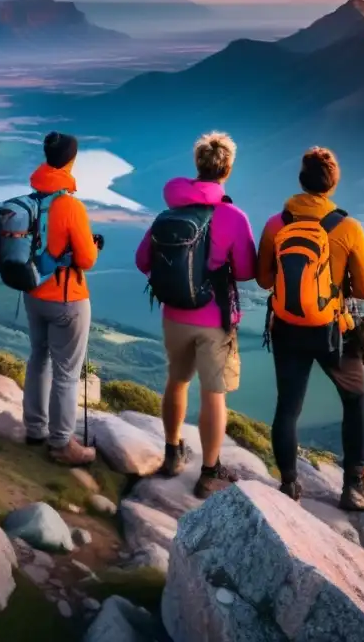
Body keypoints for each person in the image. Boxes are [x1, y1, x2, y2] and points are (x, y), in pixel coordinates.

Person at [256, 146, 364, 511]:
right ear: (333, 184)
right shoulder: (347, 228)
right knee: (354, 400)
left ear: (301, 180)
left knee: (287, 408)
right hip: (333, 331)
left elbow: (264, 279)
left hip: (286, 327)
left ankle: (288, 485)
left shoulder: (275, 224)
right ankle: (355, 485)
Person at [135, 132, 257, 499]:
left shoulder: (169, 213)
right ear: (228, 169)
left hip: (175, 313)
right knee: (214, 394)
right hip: (215, 318)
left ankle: (172, 454)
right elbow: (248, 270)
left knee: (177, 381)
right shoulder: (233, 216)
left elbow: (143, 261)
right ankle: (209, 472)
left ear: (197, 165)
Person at [23, 132, 100, 466]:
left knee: (38, 358)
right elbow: (86, 259)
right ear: (71, 160)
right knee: (67, 373)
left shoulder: (31, 199)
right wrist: (92, 247)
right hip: (67, 298)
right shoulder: (69, 204)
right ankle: (62, 443)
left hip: (33, 292)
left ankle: (35, 429)